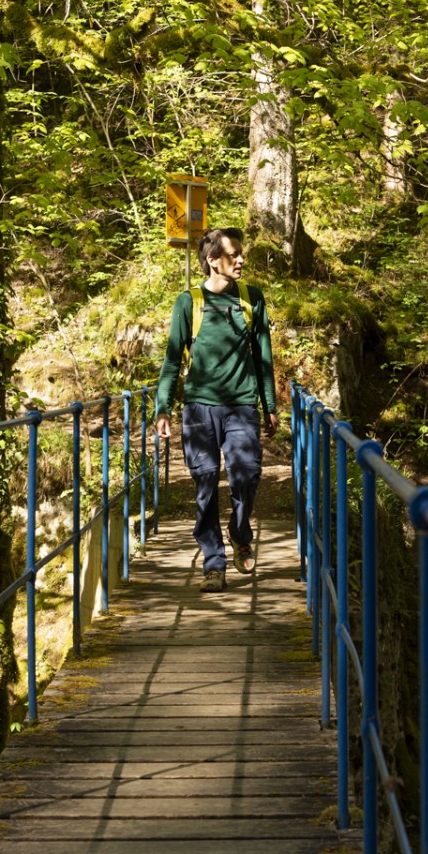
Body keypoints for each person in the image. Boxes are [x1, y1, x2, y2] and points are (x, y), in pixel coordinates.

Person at [155, 227, 279, 592]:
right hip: (198, 410)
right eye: (234, 254)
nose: (241, 260)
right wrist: (162, 408)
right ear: (213, 261)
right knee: (205, 482)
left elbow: (264, 357)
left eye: (241, 254)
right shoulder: (188, 303)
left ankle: (240, 531)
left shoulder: (251, 299)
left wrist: (269, 405)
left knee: (246, 475)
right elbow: (171, 360)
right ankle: (214, 563)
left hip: (242, 406)